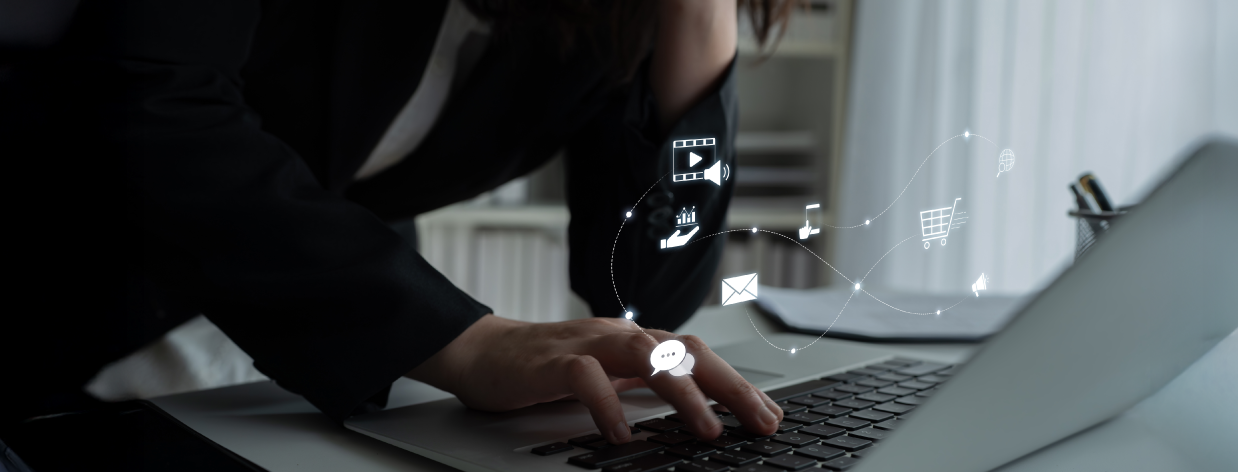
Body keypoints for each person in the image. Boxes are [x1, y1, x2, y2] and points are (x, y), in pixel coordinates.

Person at [0, 0, 801, 445]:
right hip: (48, 294)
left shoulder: (605, 26)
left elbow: (646, 286)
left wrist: (701, 13)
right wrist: (467, 341)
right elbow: (147, 94)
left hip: (286, 370)